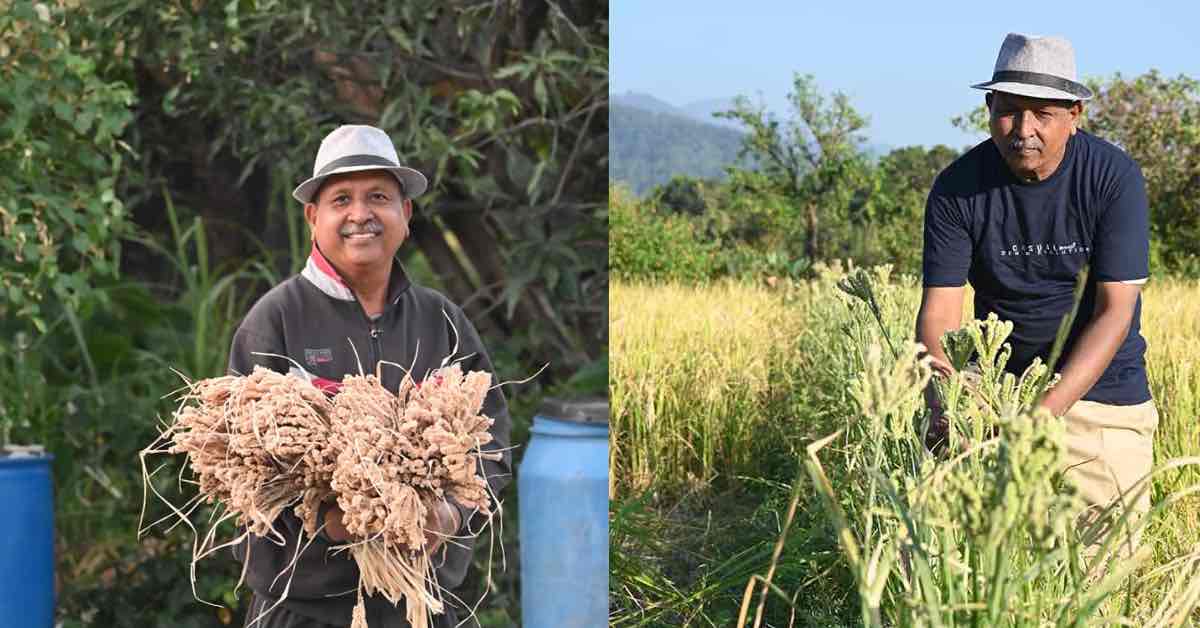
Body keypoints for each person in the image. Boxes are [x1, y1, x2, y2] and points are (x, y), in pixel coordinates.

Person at [227, 124, 512, 627]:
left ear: (405, 213)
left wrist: (447, 515)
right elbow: (241, 471)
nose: (361, 214)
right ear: (314, 217)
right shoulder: (275, 320)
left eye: (378, 196)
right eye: (342, 199)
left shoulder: (441, 321)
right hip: (306, 610)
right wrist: (329, 520)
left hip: (419, 605)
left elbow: (492, 443)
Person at [916, 34, 1156, 540]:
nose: (1024, 130)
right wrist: (948, 402)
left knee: (1106, 558)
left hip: (1099, 391)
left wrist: (1043, 413)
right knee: (946, 543)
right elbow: (939, 314)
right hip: (993, 381)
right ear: (989, 108)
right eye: (1009, 111)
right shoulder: (958, 187)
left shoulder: (1113, 178)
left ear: (1075, 113)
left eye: (1042, 113)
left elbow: (1114, 312)